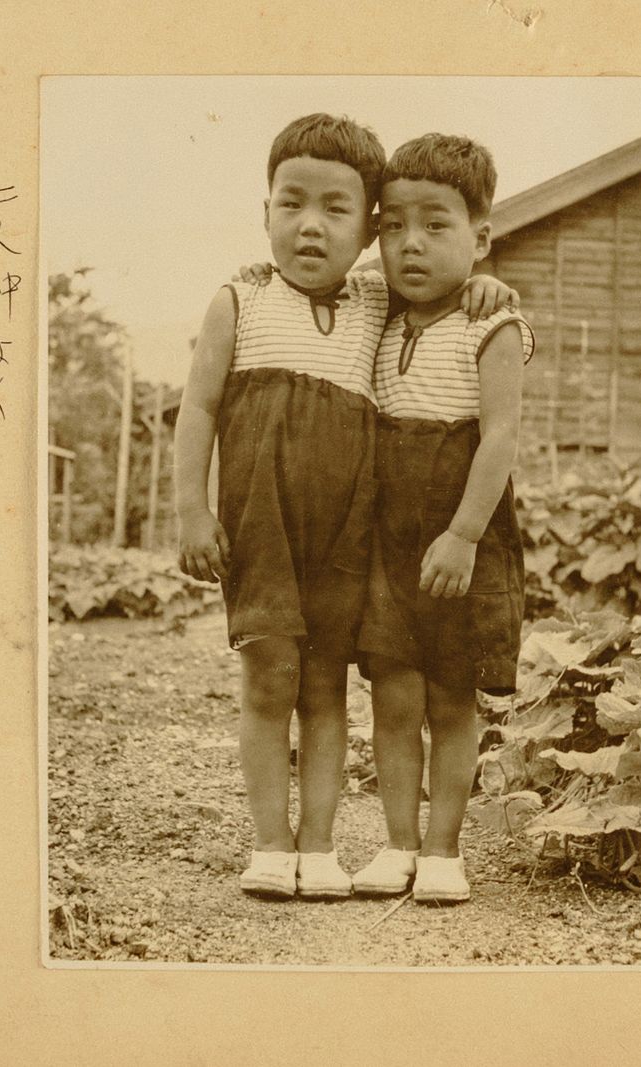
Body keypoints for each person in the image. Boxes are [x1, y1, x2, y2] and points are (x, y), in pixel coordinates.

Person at [174, 114, 517, 901]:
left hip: (344, 536)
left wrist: (490, 283)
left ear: (362, 232)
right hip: (263, 523)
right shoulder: (239, 298)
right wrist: (191, 510)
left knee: (327, 681)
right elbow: (195, 409)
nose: (308, 226)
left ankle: (321, 846)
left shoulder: (374, 299)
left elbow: (453, 279)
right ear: (265, 211)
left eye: (335, 210)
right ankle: (270, 841)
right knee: (269, 674)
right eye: (290, 203)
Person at [353, 133, 535, 904]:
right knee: (394, 693)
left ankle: (443, 851)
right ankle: (396, 845)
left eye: (436, 224)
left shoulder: (492, 326)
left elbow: (499, 437)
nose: (411, 244)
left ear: (482, 237)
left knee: (451, 696)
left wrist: (462, 534)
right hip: (385, 538)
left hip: (462, 536)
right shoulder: (380, 313)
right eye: (392, 225)